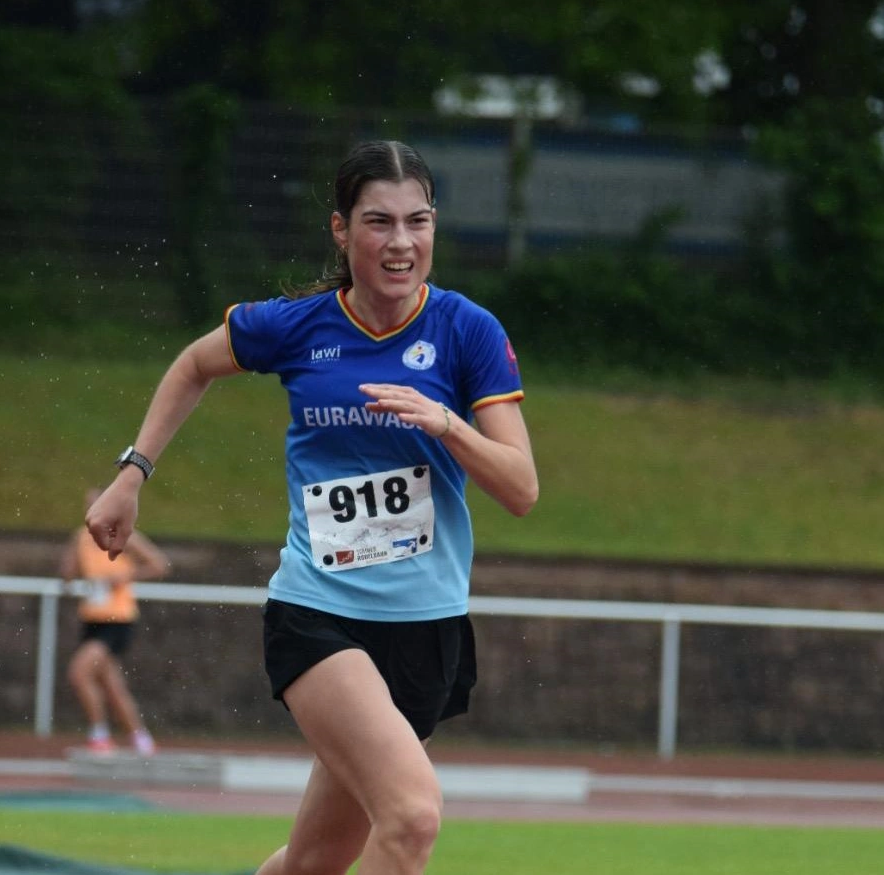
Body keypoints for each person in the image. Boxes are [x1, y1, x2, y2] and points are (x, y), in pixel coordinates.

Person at [85, 140, 538, 874]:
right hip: (319, 614)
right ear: (340, 230)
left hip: (427, 629)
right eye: (379, 222)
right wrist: (133, 472)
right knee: (413, 814)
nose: (401, 243)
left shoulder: (466, 331)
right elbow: (195, 363)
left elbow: (521, 488)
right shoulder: (297, 325)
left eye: (417, 222)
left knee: (312, 862)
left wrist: (446, 423)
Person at [60, 486, 169, 756]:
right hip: (92, 619)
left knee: (79, 672)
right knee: (112, 686)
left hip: (118, 620)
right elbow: (68, 577)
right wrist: (74, 566)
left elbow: (158, 564)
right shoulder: (81, 538)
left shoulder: (123, 534)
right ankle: (141, 739)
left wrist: (123, 577)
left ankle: (99, 734)